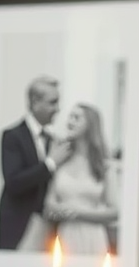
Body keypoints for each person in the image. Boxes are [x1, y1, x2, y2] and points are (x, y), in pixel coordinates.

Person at [0, 76, 71, 251]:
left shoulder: (55, 141)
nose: (58, 108)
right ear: (35, 102)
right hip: (18, 227)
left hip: (48, 231)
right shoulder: (12, 136)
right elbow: (14, 182)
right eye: (53, 102)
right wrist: (50, 164)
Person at [42, 103, 119, 256]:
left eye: (76, 117)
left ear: (90, 124)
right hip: (65, 235)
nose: (70, 121)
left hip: (94, 237)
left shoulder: (103, 166)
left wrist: (78, 212)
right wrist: (60, 211)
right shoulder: (60, 160)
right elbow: (48, 206)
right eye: (70, 117)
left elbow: (114, 212)